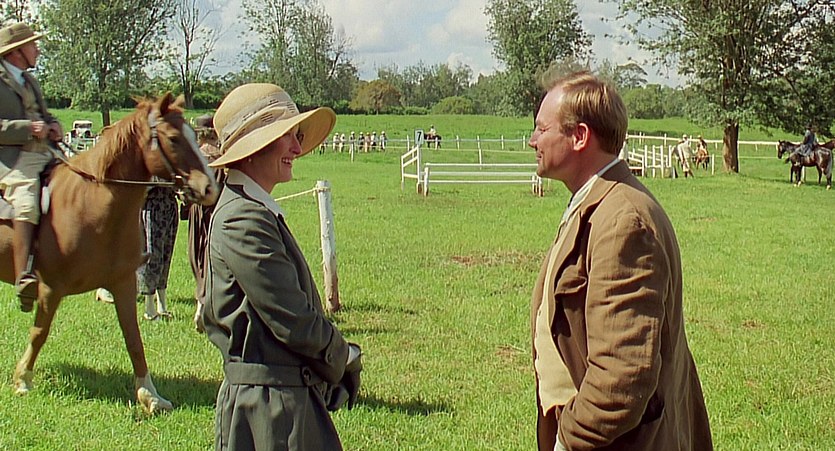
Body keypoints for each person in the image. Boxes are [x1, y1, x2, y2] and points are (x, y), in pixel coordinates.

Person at [528, 71, 712, 450]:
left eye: (542, 129)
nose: (533, 140)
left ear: (580, 137)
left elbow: (621, 375)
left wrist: (569, 439)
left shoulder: (623, 219)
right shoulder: (599, 201)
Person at [204, 83, 362, 450]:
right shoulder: (242, 219)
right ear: (253, 148)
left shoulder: (253, 210)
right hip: (270, 413)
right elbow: (293, 319)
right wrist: (343, 355)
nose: (296, 148)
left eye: (297, 135)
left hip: (281, 402)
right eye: (286, 136)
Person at [0, 22, 63, 311]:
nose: (37, 49)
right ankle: (24, 276)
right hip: (13, 158)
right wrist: (29, 128)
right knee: (26, 200)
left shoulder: (30, 80)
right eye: (32, 44)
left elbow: (45, 114)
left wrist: (54, 125)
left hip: (46, 152)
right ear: (16, 51)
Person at [187, 114, 225, 332]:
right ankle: (207, 304)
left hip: (197, 212)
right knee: (212, 258)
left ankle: (202, 304)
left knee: (197, 256)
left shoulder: (194, 158)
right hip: (217, 212)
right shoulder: (222, 158)